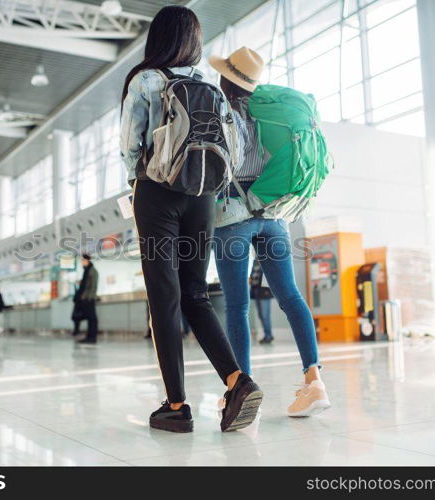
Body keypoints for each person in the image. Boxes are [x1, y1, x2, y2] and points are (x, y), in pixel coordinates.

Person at [120, 5, 262, 433]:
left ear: (158, 38)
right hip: (203, 196)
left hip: (157, 192)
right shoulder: (209, 88)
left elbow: (131, 144)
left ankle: (177, 406)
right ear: (195, 42)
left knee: (164, 298)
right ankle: (238, 382)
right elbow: (232, 152)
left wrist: (137, 185)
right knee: (195, 295)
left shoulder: (146, 80)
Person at [210, 46, 331, 417]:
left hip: (232, 214)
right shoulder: (271, 111)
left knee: (237, 305)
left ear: (225, 78)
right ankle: (314, 381)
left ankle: (242, 389)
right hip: (275, 214)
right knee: (291, 296)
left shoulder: (218, 111)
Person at [74, 254, 99, 344]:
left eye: (83, 261)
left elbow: (93, 286)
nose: (81, 262)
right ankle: (89, 337)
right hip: (86, 298)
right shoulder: (87, 271)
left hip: (89, 298)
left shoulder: (92, 271)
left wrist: (88, 297)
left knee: (92, 318)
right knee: (89, 318)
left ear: (87, 261)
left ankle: (92, 337)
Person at [250, 259, 274, 344]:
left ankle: (269, 336)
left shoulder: (266, 259)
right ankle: (266, 335)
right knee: (260, 315)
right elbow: (253, 275)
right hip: (256, 291)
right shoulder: (255, 261)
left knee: (265, 315)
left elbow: (269, 276)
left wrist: (268, 290)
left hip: (265, 292)